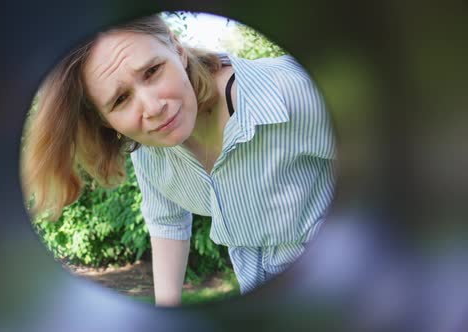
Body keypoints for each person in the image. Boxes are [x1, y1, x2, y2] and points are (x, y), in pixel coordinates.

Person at [21, 14, 337, 307]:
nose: (153, 107)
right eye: (120, 99)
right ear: (106, 122)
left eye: (152, 71)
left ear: (177, 49)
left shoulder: (288, 91)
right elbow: (167, 222)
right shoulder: (148, 150)